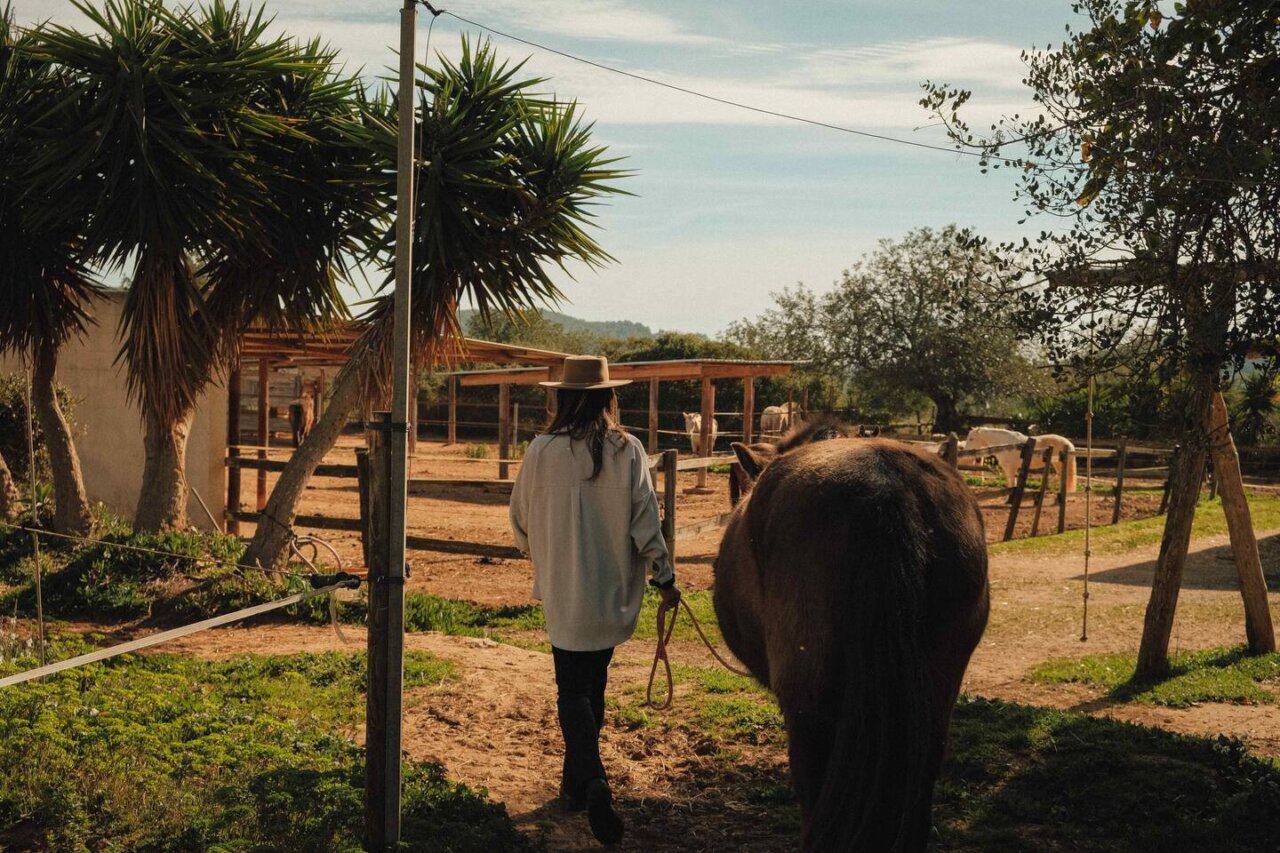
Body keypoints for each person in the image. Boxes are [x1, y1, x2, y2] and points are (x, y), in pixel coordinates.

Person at [509, 355, 679, 846]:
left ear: (561, 397)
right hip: (609, 591)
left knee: (572, 692)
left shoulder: (541, 450)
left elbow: (519, 520)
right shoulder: (628, 450)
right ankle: (577, 787)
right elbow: (647, 523)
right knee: (594, 687)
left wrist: (544, 550)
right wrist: (665, 580)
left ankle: (592, 780)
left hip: (564, 591)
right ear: (608, 398)